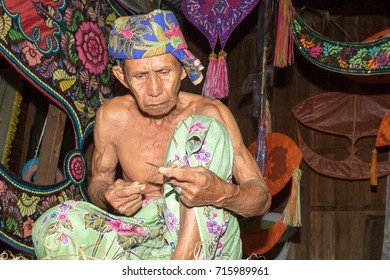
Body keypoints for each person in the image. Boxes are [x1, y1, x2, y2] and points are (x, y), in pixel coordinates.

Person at [32, 9, 271, 260]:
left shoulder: (212, 112)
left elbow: (262, 200)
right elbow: (99, 181)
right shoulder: (112, 117)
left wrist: (221, 192)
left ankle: (184, 261)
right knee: (54, 226)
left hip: (208, 242)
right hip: (140, 237)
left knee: (200, 127)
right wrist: (108, 195)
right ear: (122, 77)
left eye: (164, 73)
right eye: (141, 76)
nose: (154, 89)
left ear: (181, 69)